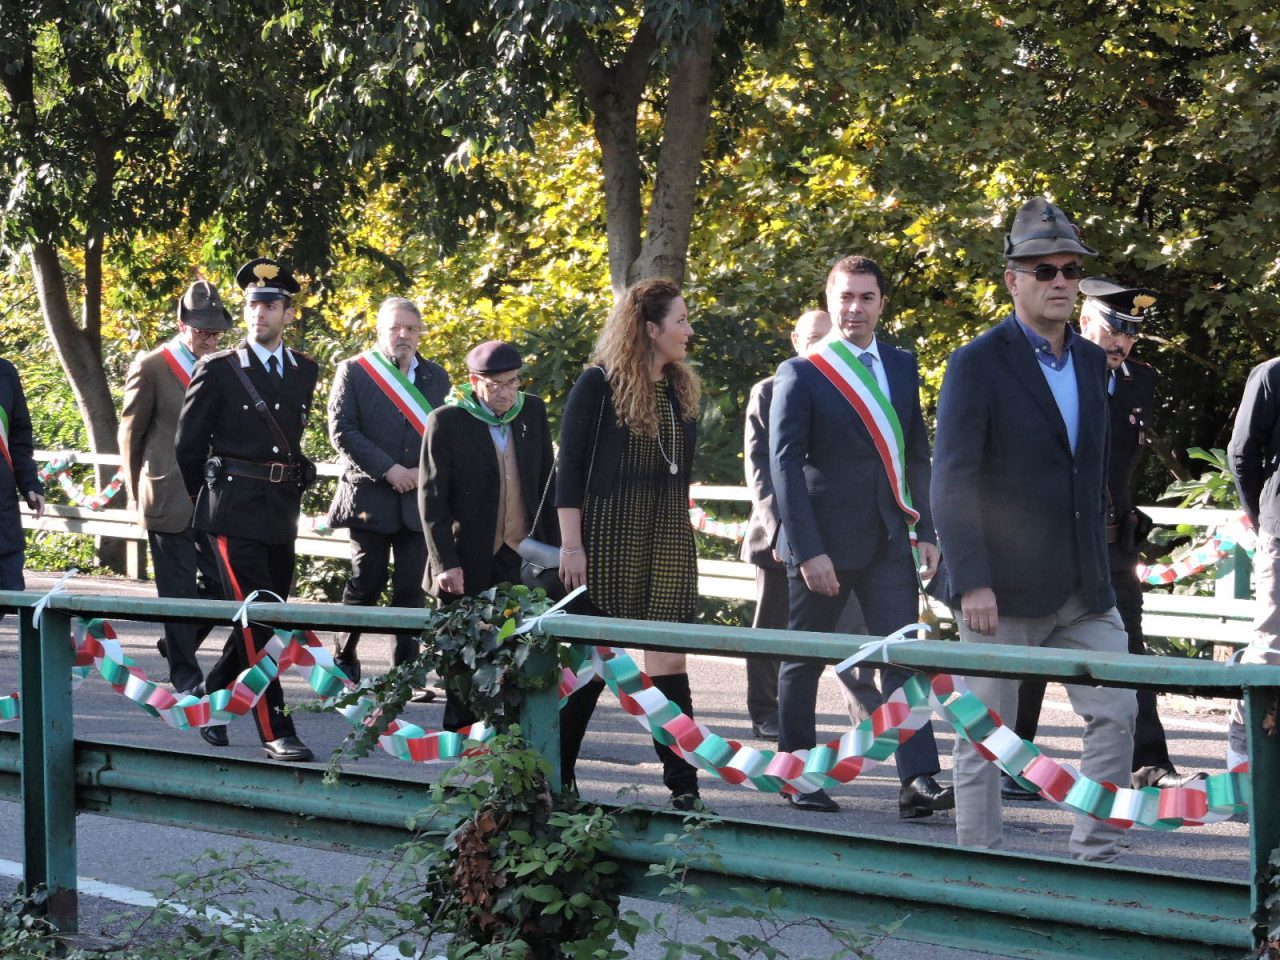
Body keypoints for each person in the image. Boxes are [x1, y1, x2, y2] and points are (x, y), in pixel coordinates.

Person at [931, 198, 1136, 862]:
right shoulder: (976, 362)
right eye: (1044, 270)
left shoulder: (1091, 362)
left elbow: (1091, 472)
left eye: (1070, 270)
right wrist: (972, 581)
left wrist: (1108, 565)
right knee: (985, 735)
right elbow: (952, 479)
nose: (1060, 282)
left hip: (1084, 587)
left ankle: (1094, 861)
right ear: (1012, 280)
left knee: (1117, 714)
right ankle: (980, 871)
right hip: (1000, 589)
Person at [769, 255, 952, 817]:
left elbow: (916, 452)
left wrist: (925, 527)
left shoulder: (901, 364)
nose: (855, 308)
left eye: (866, 297)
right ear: (830, 302)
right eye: (845, 297)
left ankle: (917, 780)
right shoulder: (803, 371)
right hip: (824, 544)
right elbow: (784, 466)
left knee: (902, 658)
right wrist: (808, 550)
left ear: (881, 303)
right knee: (804, 658)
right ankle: (797, 773)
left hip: (890, 538)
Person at [1005, 277, 1186, 799]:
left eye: (1130, 334)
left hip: (1110, 543)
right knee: (1034, 651)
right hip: (1051, 541)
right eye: (1112, 330)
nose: (1121, 343)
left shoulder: (1138, 381)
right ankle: (1012, 761)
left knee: (1130, 651)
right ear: (1084, 322)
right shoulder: (1050, 372)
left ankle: (1149, 763)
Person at [555, 278, 701, 809]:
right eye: (680, 320)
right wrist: (571, 547)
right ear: (650, 328)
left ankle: (684, 790)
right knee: (591, 668)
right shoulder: (599, 383)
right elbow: (569, 469)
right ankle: (555, 779)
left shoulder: (681, 390)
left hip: (666, 538)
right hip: (606, 540)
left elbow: (681, 473)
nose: (689, 330)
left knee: (669, 665)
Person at [175, 256, 319, 762]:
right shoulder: (218, 369)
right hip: (232, 513)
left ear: (288, 313)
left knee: (268, 618)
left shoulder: (305, 370)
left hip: (281, 511)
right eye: (253, 305)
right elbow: (188, 448)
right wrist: (211, 500)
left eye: (271, 306)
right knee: (257, 620)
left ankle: (215, 698)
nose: (260, 313)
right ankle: (275, 729)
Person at [741, 309, 882, 739]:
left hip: (839, 539)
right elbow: (761, 469)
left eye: (827, 336)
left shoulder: (852, 387)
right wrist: (782, 531)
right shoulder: (769, 390)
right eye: (812, 338)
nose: (820, 345)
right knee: (774, 631)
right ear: (795, 340)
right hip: (780, 536)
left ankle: (869, 719)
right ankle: (766, 712)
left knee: (851, 632)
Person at [420, 340, 556, 730]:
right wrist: (445, 563)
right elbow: (432, 498)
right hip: (467, 556)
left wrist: (555, 552)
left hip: (522, 552)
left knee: (517, 648)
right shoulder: (447, 420)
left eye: (513, 382)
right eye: (496, 385)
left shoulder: (532, 411)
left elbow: (547, 484)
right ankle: (461, 735)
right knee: (465, 650)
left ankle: (511, 734)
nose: (506, 393)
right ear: (474, 381)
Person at [119, 279, 231, 704]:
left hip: (214, 496)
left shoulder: (223, 367)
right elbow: (131, 433)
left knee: (223, 584)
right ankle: (185, 674)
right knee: (178, 590)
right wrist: (134, 492)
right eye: (203, 332)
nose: (210, 339)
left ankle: (177, 640)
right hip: (167, 492)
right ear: (183, 326)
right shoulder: (151, 366)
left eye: (216, 333)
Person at [328, 297, 450, 683]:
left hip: (417, 498)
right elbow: (342, 430)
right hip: (369, 495)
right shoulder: (355, 371)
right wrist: (389, 469)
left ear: (420, 333)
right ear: (380, 330)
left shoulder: (437, 377)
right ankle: (344, 654)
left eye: (411, 328)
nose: (403, 335)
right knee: (367, 579)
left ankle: (406, 673)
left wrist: (420, 471)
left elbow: (446, 435)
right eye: (395, 327)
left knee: (411, 590)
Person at [1226, 353, 1280, 770]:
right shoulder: (1271, 374)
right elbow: (1242, 453)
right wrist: (1264, 519)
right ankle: (1241, 757)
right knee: (1270, 649)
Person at [0, 359, 44, 589]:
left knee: (11, 590)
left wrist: (30, 484)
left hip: (3, 511)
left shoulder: (5, 373)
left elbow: (19, 438)